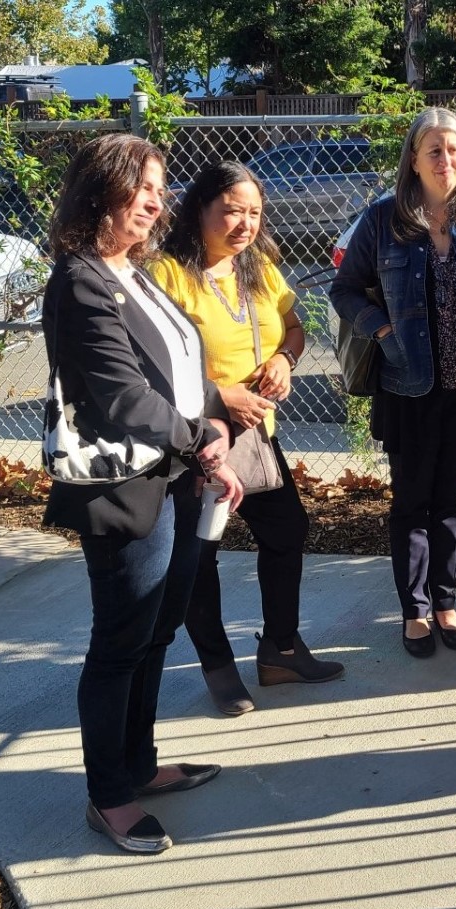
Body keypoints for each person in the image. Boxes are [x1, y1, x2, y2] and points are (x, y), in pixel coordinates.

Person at [43, 133, 244, 854]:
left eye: (161, 188)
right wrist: (202, 440)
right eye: (144, 186)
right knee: (120, 640)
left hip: (179, 475)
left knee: (157, 630)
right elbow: (124, 396)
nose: (157, 200)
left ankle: (141, 762)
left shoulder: (137, 270)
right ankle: (108, 793)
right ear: (103, 188)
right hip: (127, 487)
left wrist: (216, 413)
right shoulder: (80, 280)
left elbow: (178, 369)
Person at [152, 162, 344, 716]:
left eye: (254, 212)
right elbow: (152, 364)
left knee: (287, 530)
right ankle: (217, 666)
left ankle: (280, 650)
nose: (244, 223)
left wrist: (285, 359)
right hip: (194, 436)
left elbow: (295, 326)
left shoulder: (257, 267)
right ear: (200, 210)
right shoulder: (167, 274)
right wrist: (219, 396)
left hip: (258, 434)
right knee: (199, 555)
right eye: (232, 210)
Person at [330, 107, 456, 658]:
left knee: (451, 501)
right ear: (413, 159)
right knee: (412, 501)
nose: (445, 160)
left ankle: (445, 603)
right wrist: (384, 329)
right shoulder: (382, 220)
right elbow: (344, 291)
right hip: (408, 388)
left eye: (454, 149)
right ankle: (414, 610)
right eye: (433, 149)